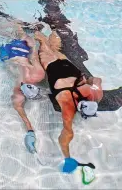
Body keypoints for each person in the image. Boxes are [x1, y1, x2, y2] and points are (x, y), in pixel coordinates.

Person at [34, 30, 103, 159]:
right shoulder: (68, 107)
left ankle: (51, 29)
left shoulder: (95, 94)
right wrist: (67, 157)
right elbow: (65, 136)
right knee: (43, 42)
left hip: (70, 69)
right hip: (52, 67)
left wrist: (87, 81)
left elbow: (97, 80)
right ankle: (35, 29)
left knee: (54, 48)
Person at [0, 26, 45, 153]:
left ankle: (17, 26)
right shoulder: (19, 87)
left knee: (16, 29)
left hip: (21, 50)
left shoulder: (39, 74)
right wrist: (29, 131)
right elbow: (19, 109)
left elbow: (34, 54)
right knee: (3, 33)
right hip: (9, 53)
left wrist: (31, 43)